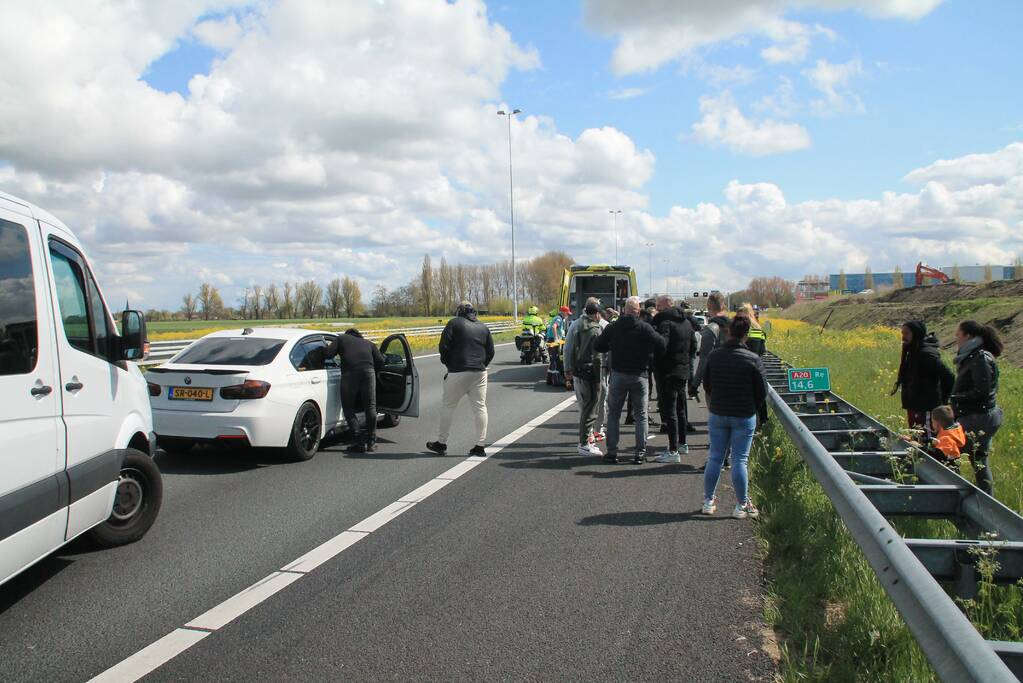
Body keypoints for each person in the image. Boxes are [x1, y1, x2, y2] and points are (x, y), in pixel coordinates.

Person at [701, 315, 767, 519]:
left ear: (728, 331)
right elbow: (762, 391)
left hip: (719, 412)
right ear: (746, 336)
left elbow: (707, 383)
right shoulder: (753, 359)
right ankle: (741, 505)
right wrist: (752, 407)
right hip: (743, 414)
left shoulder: (715, 356)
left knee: (715, 457)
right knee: (740, 460)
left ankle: (708, 501)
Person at [594, 296, 666, 464]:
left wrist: (611, 346)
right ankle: (639, 453)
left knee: (613, 414)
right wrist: (649, 352)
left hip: (618, 374)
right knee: (641, 415)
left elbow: (598, 345)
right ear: (638, 311)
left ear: (624, 310)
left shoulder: (614, 327)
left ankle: (612, 452)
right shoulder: (644, 327)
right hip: (640, 375)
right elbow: (661, 344)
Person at [427, 302, 495, 457]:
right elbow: (491, 351)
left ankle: (442, 443)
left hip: (458, 370)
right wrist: (482, 365)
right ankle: (480, 445)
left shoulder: (454, 323)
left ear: (459, 311)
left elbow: (443, 346)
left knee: (448, 406)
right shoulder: (483, 327)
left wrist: (449, 365)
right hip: (480, 372)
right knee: (480, 407)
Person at [950, 320, 1004, 495]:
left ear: (968, 336)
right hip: (980, 415)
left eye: (958, 334)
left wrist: (955, 398)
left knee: (948, 452)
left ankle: (954, 498)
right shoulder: (973, 355)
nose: (956, 338)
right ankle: (988, 501)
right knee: (979, 459)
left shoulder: (980, 358)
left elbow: (982, 391)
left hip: (978, 417)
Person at [320, 328, 385, 453]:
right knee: (370, 407)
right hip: (369, 373)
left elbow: (328, 354)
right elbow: (381, 360)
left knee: (348, 408)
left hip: (350, 373)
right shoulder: (369, 343)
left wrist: (321, 350)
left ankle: (358, 442)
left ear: (347, 334)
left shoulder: (341, 338)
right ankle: (371, 442)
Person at [652, 295, 696, 463]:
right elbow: (693, 345)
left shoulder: (665, 323)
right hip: (683, 370)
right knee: (681, 409)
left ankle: (672, 451)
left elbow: (662, 344)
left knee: (669, 410)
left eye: (659, 306)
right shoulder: (686, 322)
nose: (657, 309)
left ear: (665, 307)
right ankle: (682, 444)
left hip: (668, 371)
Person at [891, 320, 954, 436]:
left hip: (926, 408)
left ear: (916, 334)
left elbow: (949, 376)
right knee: (916, 439)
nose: (903, 337)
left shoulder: (926, 354)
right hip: (915, 406)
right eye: (902, 333)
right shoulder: (913, 350)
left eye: (906, 334)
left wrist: (944, 401)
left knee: (926, 440)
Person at [691, 292, 731, 468]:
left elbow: (704, 359)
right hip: (734, 377)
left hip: (715, 381)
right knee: (729, 421)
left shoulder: (711, 329)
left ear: (709, 306)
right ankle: (727, 456)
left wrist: (695, 383)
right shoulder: (734, 325)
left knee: (716, 423)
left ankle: (717, 460)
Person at [564, 297, 604, 455]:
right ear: (597, 313)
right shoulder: (596, 328)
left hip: (578, 371)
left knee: (585, 407)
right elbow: (598, 357)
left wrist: (568, 368)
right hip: (590, 372)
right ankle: (584, 443)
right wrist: (599, 379)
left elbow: (568, 349)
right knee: (591, 408)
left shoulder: (576, 324)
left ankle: (585, 441)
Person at [925, 405, 966, 472]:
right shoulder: (952, 432)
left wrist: (920, 448)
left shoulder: (946, 438)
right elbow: (935, 441)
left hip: (948, 471)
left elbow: (936, 454)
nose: (932, 424)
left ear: (937, 423)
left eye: (932, 421)